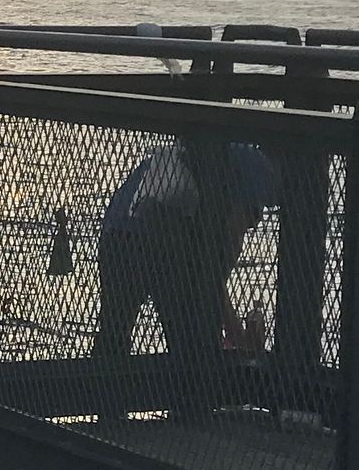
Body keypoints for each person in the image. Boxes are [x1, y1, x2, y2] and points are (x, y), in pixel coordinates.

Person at [91, 136, 281, 418]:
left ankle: (106, 411)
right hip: (162, 239)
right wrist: (236, 333)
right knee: (186, 333)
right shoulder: (259, 168)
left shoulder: (209, 153)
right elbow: (227, 242)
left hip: (118, 231)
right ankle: (190, 409)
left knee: (114, 327)